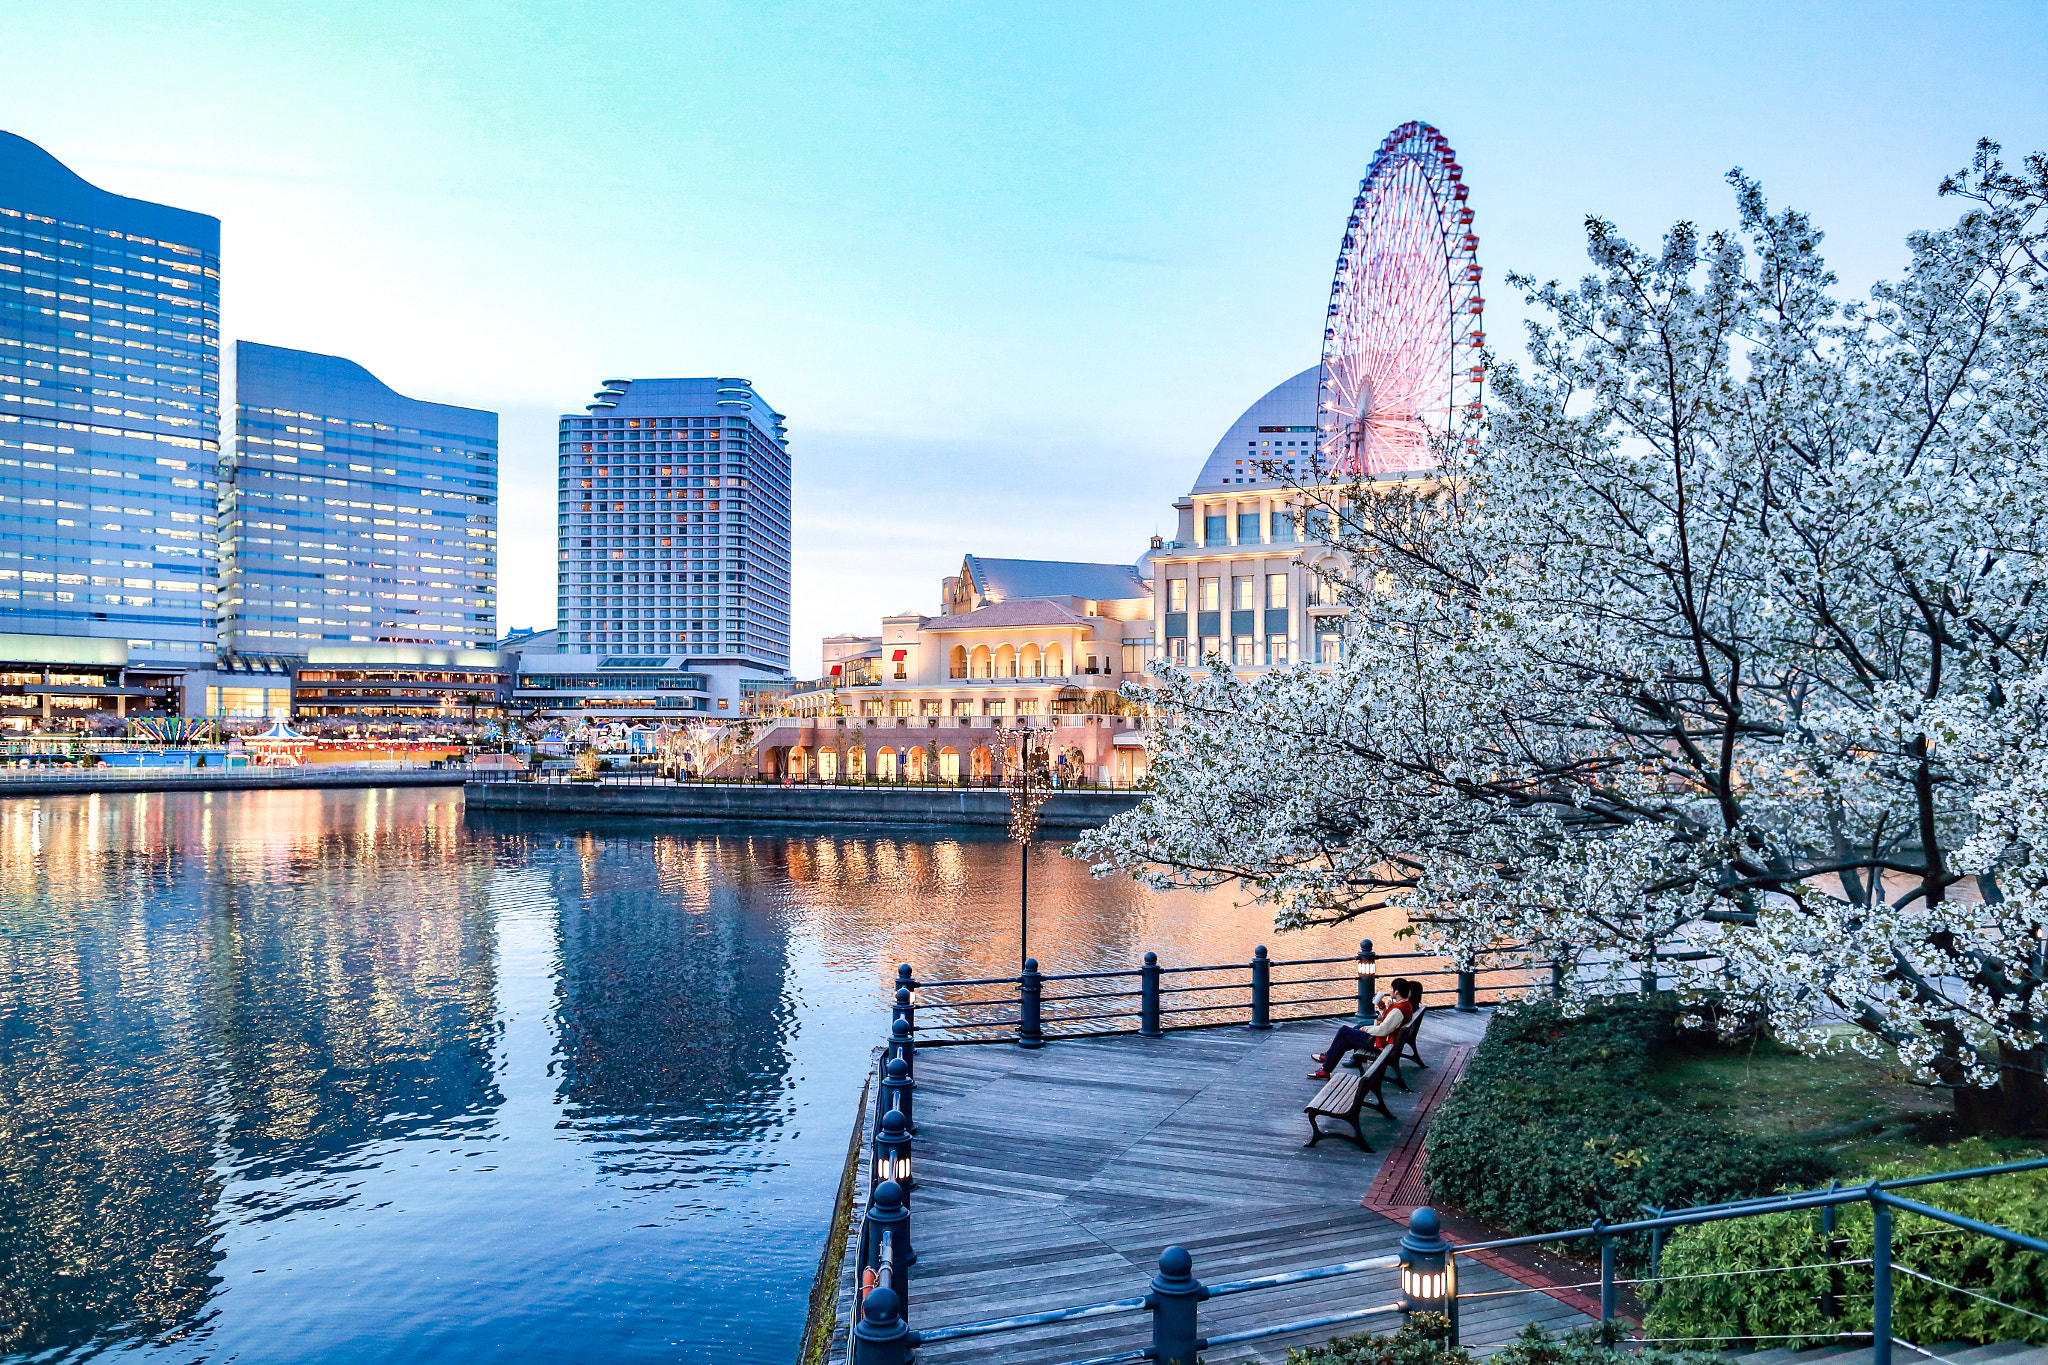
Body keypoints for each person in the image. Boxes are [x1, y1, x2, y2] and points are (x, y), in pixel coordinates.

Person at [1307, 979, 1421, 1079]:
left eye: (1391, 988)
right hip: (1386, 1042)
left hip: (1381, 1044)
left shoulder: (1398, 1010)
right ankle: (1325, 1069)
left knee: (1344, 1031)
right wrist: (1382, 1006)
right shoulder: (1405, 1006)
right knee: (1343, 1040)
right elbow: (1389, 1021)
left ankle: (1326, 1062)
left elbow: (1383, 1029)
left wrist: (1366, 1029)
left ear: (1396, 991)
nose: (1390, 991)